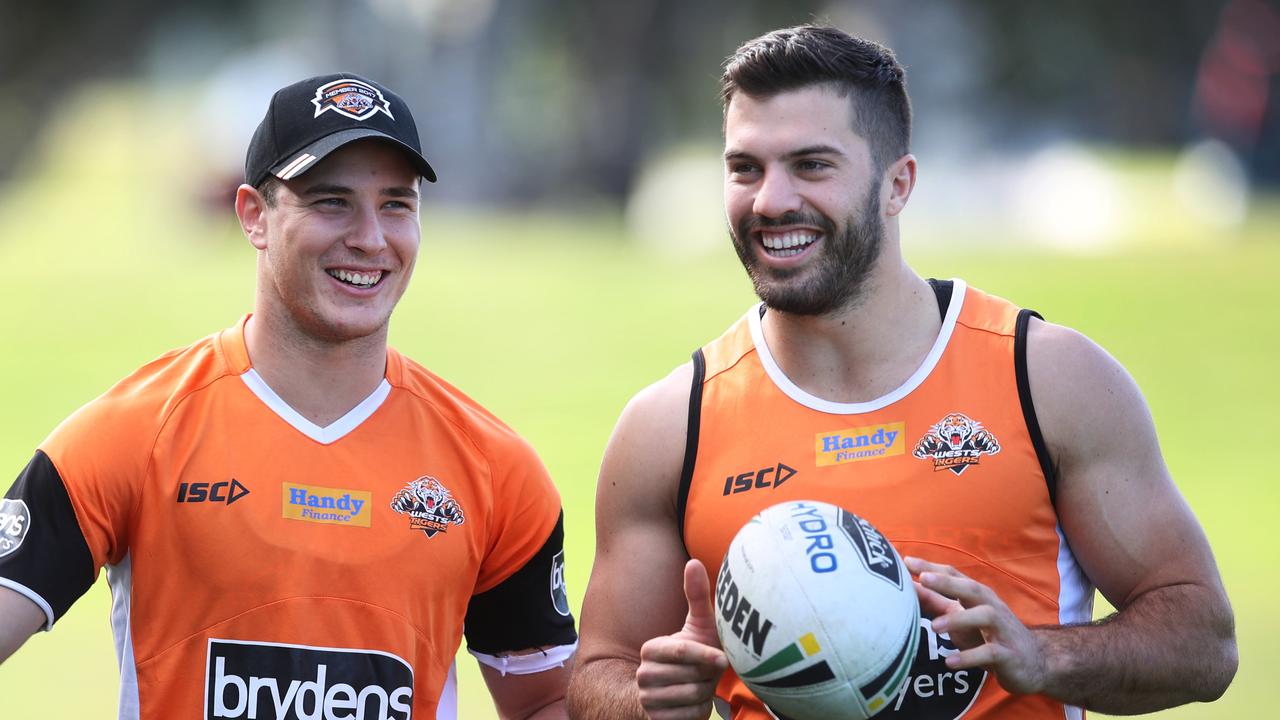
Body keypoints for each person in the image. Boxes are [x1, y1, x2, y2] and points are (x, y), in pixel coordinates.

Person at [566, 25, 1237, 720]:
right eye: (746, 168)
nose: (771, 200)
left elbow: (1203, 641)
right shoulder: (672, 426)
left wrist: (1045, 657)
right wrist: (647, 702)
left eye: (812, 165)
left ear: (898, 184)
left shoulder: (1047, 380)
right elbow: (595, 679)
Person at [0, 73, 577, 719]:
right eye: (331, 202)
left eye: (396, 204)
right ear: (254, 215)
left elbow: (542, 703)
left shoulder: (496, 469)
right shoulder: (135, 433)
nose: (369, 237)